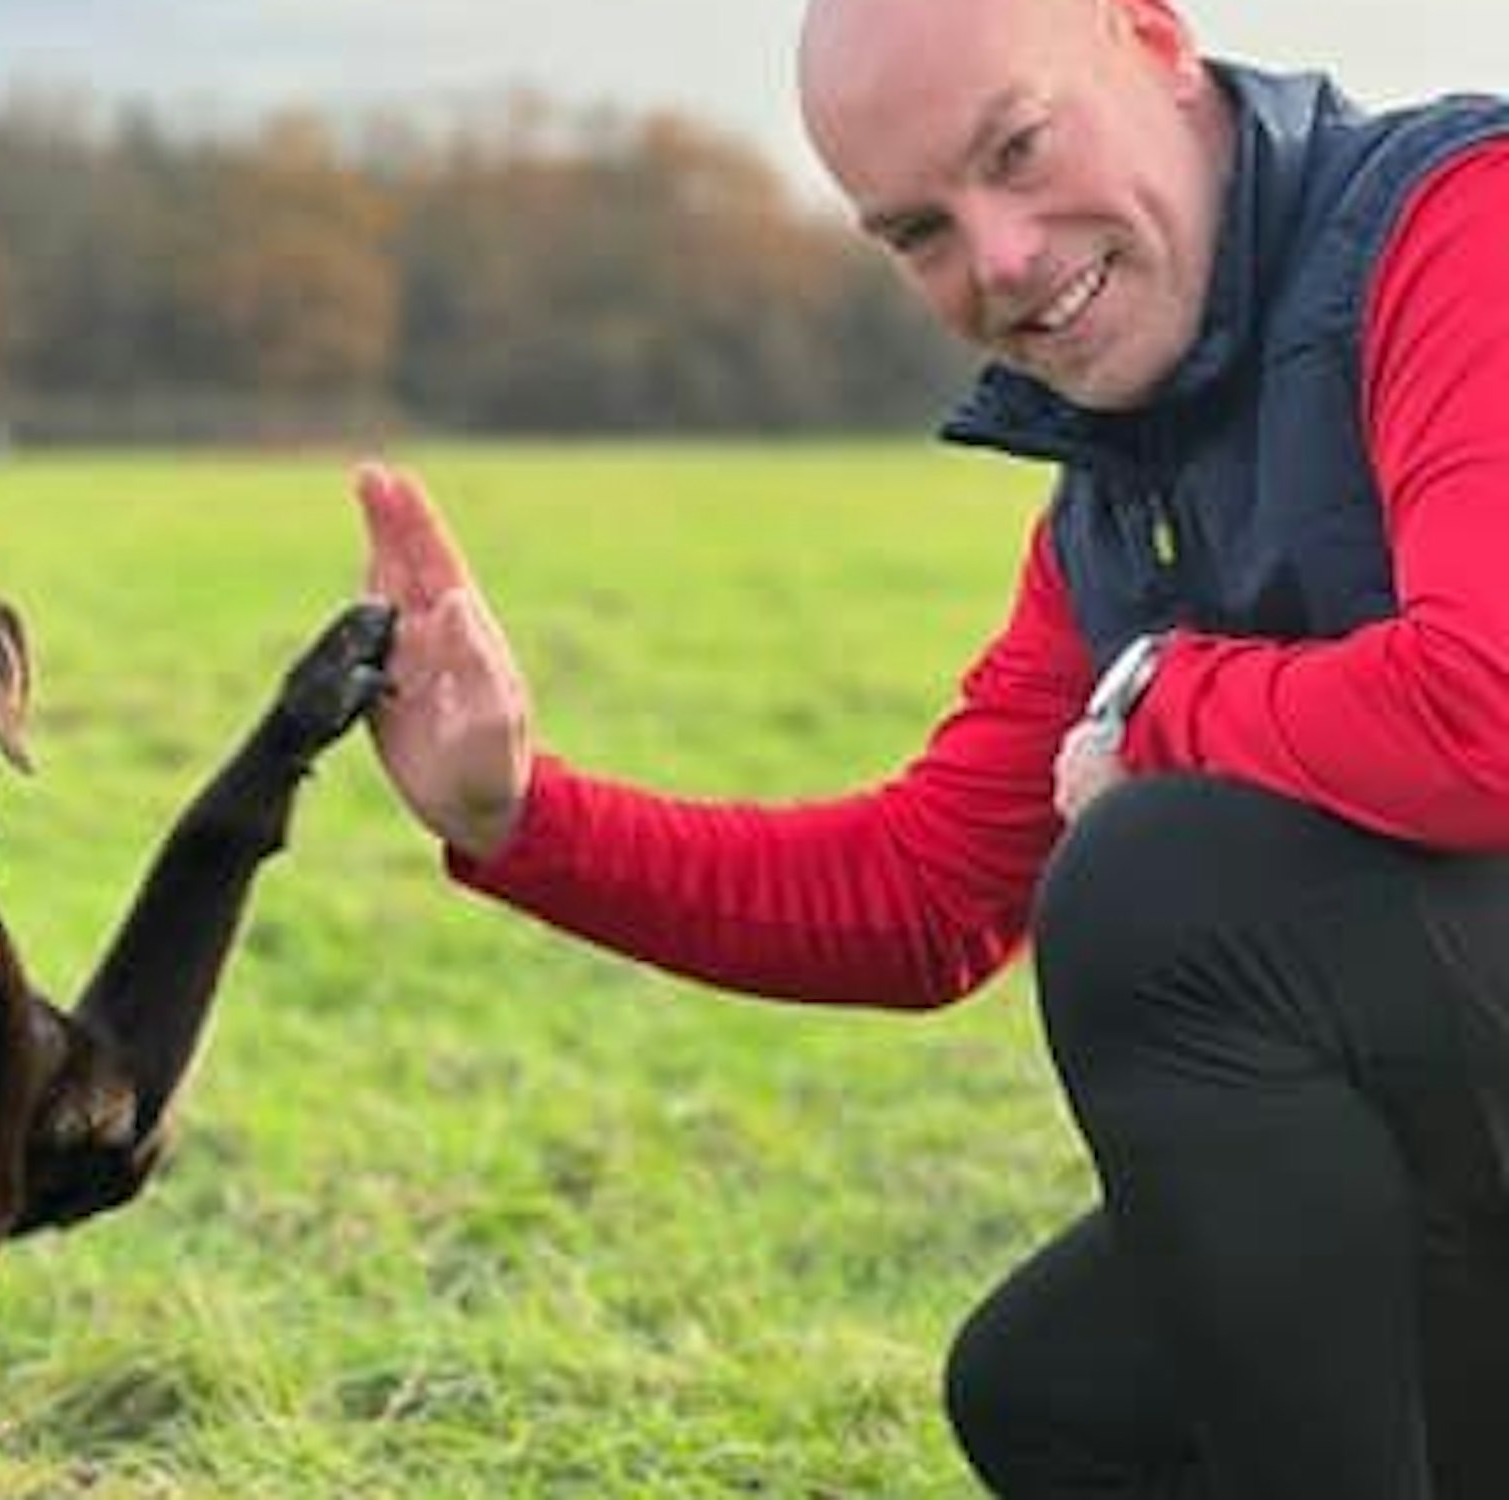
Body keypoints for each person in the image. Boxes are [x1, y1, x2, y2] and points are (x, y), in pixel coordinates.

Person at [352, 0, 1509, 1492]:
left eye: (1019, 148)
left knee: (1159, 885)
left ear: (1151, 39)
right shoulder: (1123, 503)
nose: (1004, 259)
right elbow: (922, 897)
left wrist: (1157, 703)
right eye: (920, 231)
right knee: (1054, 1398)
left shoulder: (1456, 231)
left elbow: (1489, 708)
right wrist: (519, 817)